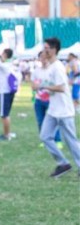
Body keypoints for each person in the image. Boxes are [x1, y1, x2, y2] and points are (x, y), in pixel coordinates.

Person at [38, 37, 80, 178]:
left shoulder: (58, 67)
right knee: (45, 136)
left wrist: (45, 87)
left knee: (70, 141)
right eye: (44, 48)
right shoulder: (50, 66)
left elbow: (62, 87)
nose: (45, 50)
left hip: (64, 110)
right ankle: (63, 164)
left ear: (54, 49)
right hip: (53, 110)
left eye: (47, 48)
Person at [0, 49, 20, 140]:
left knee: (4, 115)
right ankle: (8, 132)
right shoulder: (10, 65)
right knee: (6, 114)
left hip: (4, 92)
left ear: (5, 54)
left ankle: (6, 135)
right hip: (9, 92)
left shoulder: (3, 65)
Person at [31, 50, 60, 146]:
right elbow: (33, 86)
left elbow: (58, 85)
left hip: (52, 99)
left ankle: (57, 140)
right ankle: (44, 140)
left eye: (45, 57)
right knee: (40, 120)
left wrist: (42, 86)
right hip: (39, 100)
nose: (43, 59)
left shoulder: (53, 70)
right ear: (39, 59)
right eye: (41, 57)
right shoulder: (36, 71)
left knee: (55, 121)